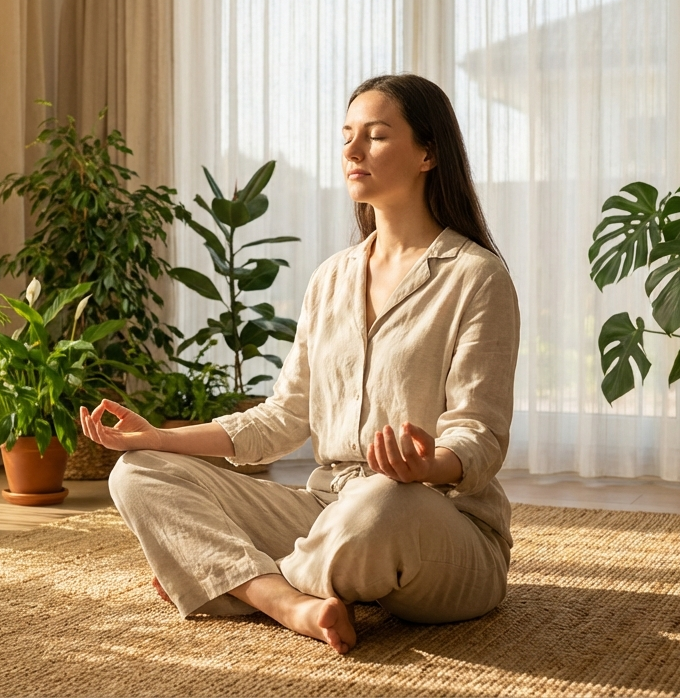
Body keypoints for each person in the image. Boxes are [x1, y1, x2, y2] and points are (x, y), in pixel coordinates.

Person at [79, 73, 519, 655]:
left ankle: (234, 582)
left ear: (428, 153)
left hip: (433, 519)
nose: (353, 152)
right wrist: (162, 436)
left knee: (380, 502)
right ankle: (285, 600)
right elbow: (282, 416)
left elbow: (479, 436)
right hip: (325, 512)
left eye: (377, 136)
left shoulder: (476, 277)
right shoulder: (331, 278)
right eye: (346, 137)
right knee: (138, 471)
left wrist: (426, 466)